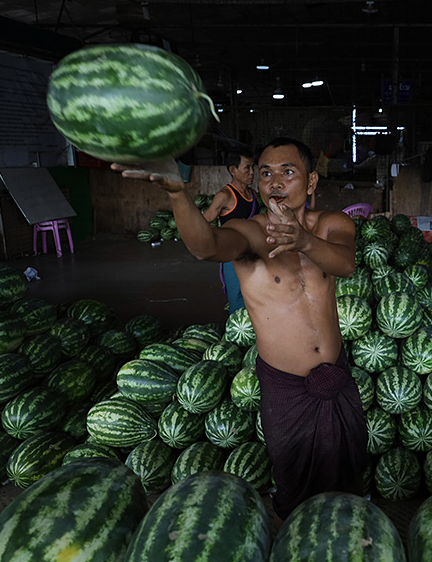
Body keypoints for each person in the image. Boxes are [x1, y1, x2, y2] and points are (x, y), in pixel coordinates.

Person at [112, 137, 368, 519]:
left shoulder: (332, 224)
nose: (275, 181)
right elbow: (206, 246)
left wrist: (303, 241)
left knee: (349, 479)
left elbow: (345, 263)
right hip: (287, 389)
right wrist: (179, 196)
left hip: (337, 377)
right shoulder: (249, 233)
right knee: (295, 492)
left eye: (288, 172)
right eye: (266, 173)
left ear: (311, 182)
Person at [203, 146, 258, 313]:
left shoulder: (253, 194)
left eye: (252, 167)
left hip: (253, 253)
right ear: (233, 170)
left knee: (254, 297)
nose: (251, 173)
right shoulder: (225, 196)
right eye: (247, 168)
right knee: (237, 302)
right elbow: (204, 222)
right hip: (233, 257)